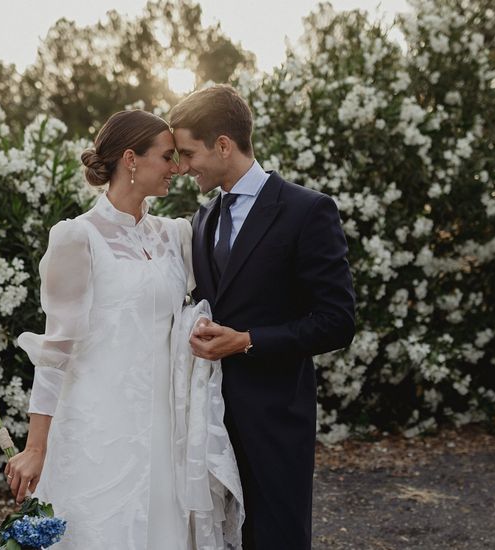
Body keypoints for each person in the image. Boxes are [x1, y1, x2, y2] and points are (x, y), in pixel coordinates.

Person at [7, 109, 243, 549]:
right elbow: (56, 350)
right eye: (167, 157)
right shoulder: (77, 238)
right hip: (99, 424)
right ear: (130, 159)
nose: (177, 168)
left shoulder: (175, 236)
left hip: (165, 424)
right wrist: (36, 446)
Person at [171, 85, 357, 550]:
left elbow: (337, 320)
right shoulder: (203, 219)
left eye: (188, 153)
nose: (182, 166)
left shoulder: (306, 210)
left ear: (223, 145)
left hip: (276, 417)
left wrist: (247, 340)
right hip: (209, 419)